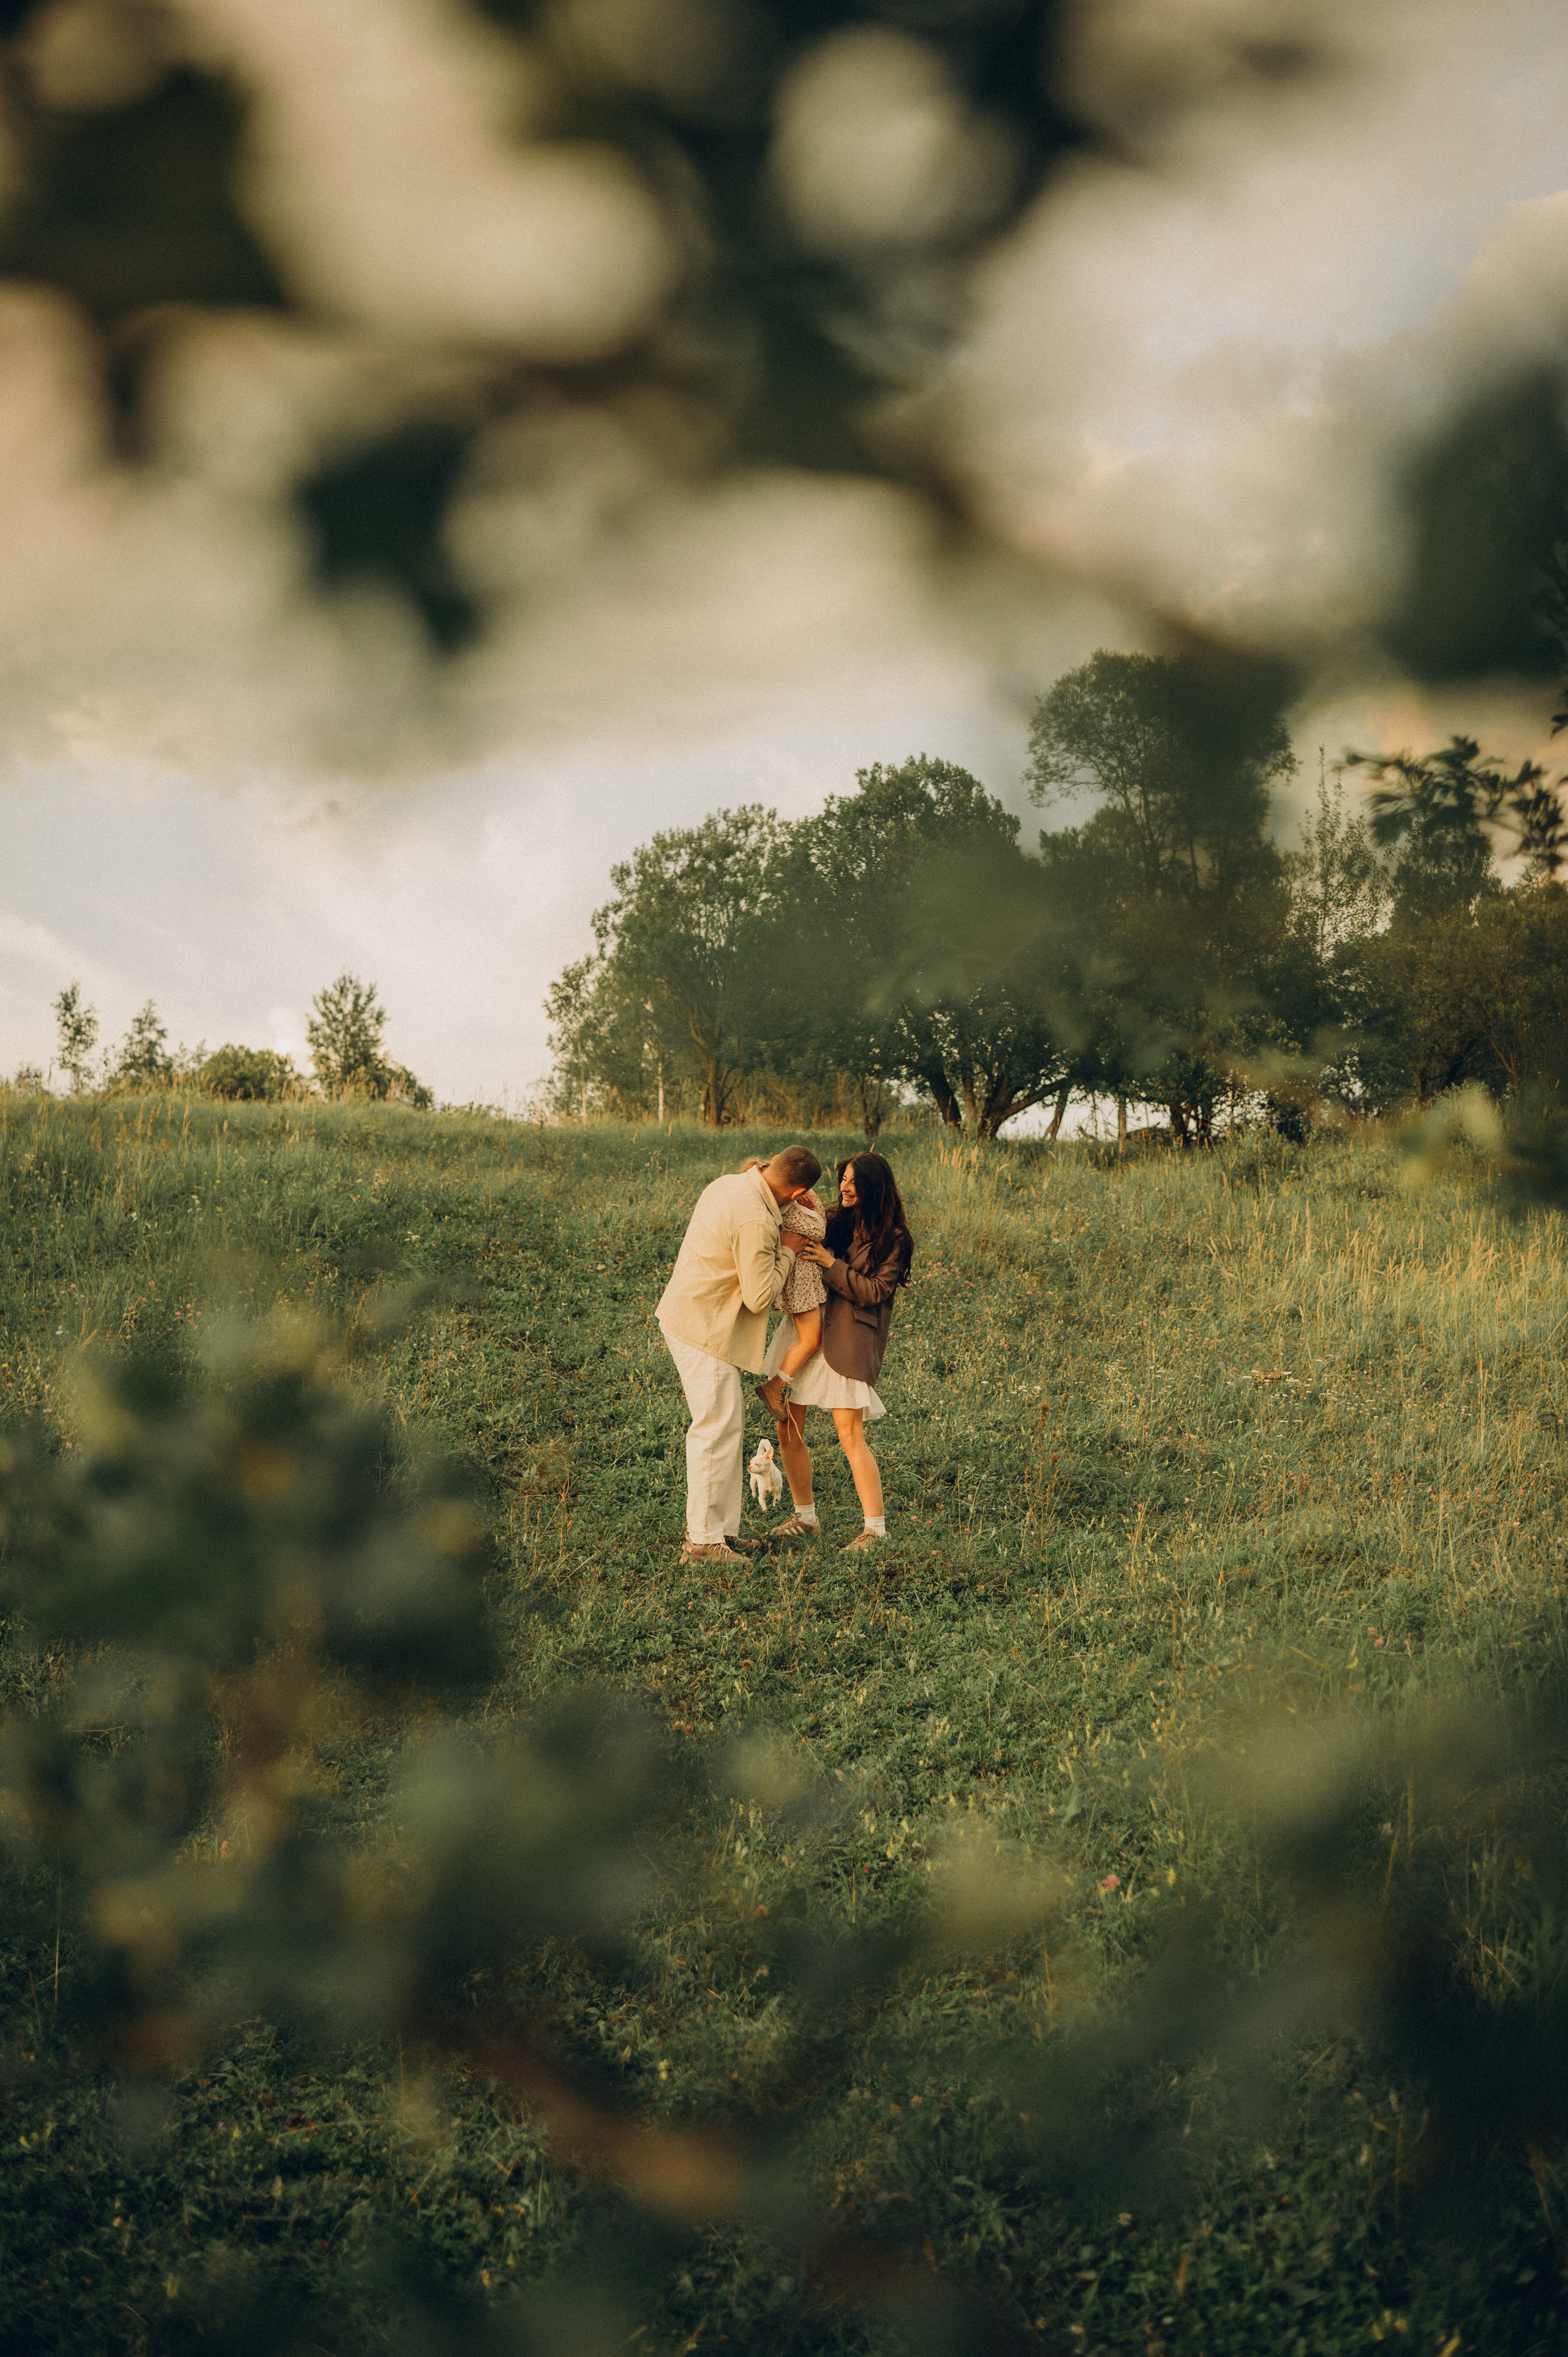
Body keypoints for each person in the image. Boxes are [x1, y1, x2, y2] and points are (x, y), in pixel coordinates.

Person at [656, 1144, 822, 1564]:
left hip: (691, 1313)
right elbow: (759, 1296)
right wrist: (787, 1249)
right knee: (714, 1430)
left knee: (727, 1428)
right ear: (799, 1189)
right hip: (705, 1328)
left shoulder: (730, 1183)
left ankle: (722, 1532)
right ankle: (701, 1544)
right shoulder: (757, 1220)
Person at [763, 1152, 913, 1553]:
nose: (845, 1187)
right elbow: (796, 1214)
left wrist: (831, 1264)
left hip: (847, 1337)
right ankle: (805, 1518)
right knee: (787, 1427)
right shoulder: (834, 1219)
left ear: (874, 1186)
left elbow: (876, 1292)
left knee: (850, 1434)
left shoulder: (892, 1238)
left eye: (853, 1181)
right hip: (806, 1328)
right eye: (842, 1179)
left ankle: (875, 1531)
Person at [755, 1177, 827, 1413]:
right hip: (799, 1280)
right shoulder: (785, 1204)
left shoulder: (800, 1197)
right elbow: (816, 1228)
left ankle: (778, 1385)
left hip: (808, 1275)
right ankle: (774, 1387)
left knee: (811, 1338)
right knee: (811, 1339)